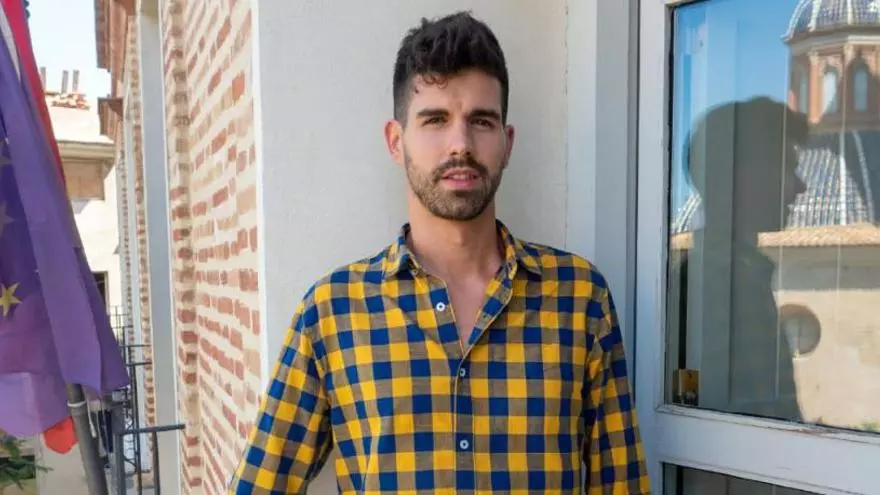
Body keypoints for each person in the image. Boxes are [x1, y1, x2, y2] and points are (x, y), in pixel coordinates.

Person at [228, 11, 649, 494]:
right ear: (396, 141)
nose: (460, 145)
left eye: (481, 121)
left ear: (507, 143)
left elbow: (624, 485)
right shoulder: (332, 313)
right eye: (435, 120)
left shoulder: (579, 298)